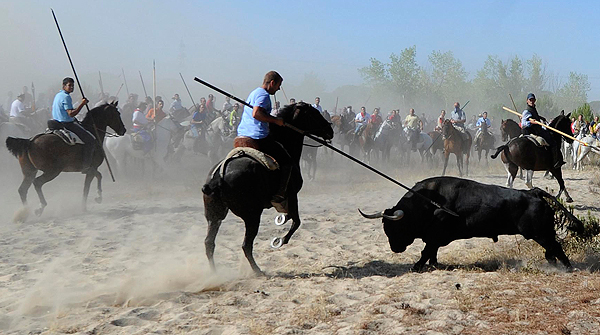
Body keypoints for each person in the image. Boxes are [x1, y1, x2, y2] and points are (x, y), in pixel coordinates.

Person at [236, 71, 290, 205]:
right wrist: (276, 121)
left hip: (241, 135)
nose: (278, 88)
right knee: (286, 161)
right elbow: (256, 113)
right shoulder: (264, 95)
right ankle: (280, 194)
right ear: (272, 83)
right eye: (278, 85)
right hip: (257, 137)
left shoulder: (254, 92)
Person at [51, 77, 94, 173]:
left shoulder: (58, 95)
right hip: (66, 124)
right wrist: (82, 104)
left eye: (73, 86)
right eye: (69, 85)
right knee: (91, 140)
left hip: (56, 121)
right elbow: (71, 113)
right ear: (64, 86)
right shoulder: (66, 97)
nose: (71, 87)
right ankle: (86, 166)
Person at [521, 93, 564, 168]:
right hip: (533, 132)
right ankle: (555, 162)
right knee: (553, 142)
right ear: (527, 101)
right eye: (530, 100)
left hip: (537, 130)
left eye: (533, 100)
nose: (532, 101)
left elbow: (535, 117)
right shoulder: (526, 111)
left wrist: (540, 118)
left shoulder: (533, 109)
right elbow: (523, 124)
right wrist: (531, 122)